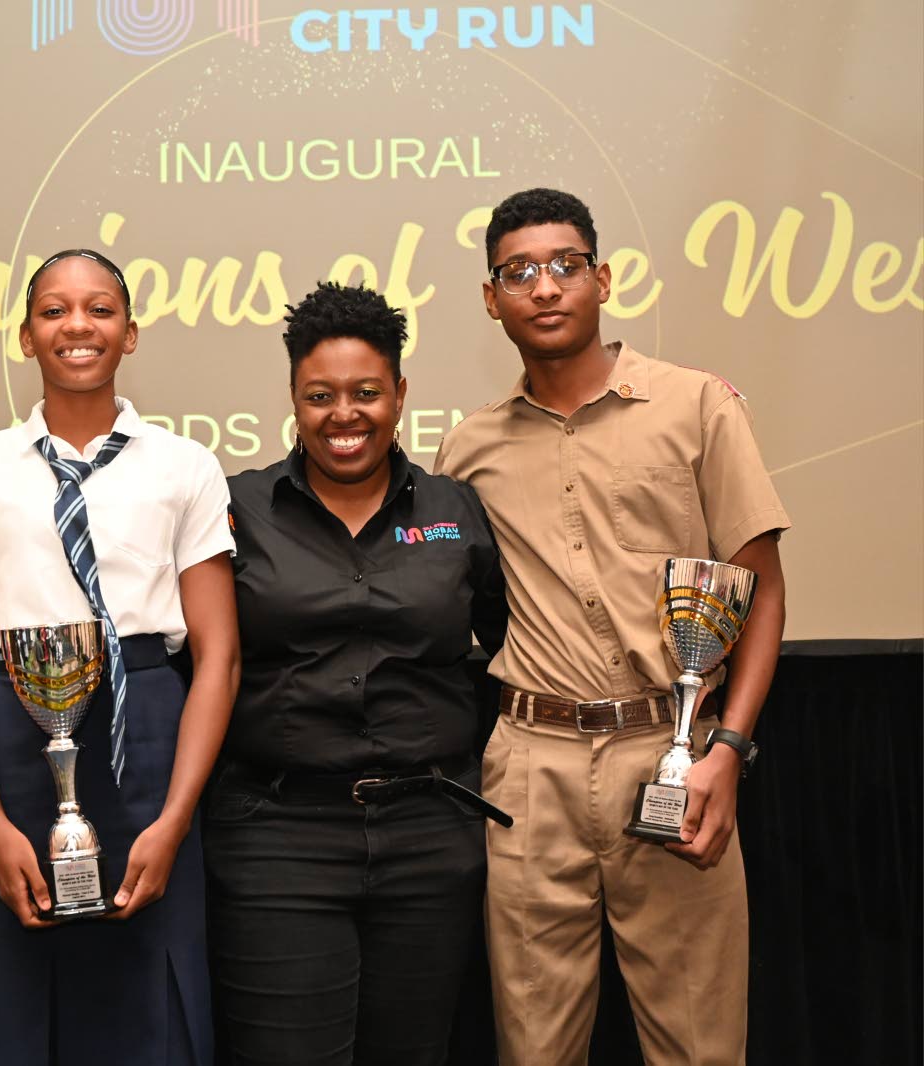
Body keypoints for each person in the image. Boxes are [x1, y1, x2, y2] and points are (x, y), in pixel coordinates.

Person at [434, 188, 789, 1065]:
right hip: (529, 768)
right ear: (492, 299)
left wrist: (727, 752)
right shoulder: (466, 450)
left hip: (669, 752)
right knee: (534, 1046)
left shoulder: (698, 405)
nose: (544, 287)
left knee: (699, 1043)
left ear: (602, 278)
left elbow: (763, 589)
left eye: (564, 265)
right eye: (518, 272)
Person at [0, 248, 239, 1066]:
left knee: (151, 1003)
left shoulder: (185, 465)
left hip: (150, 734)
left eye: (99, 309)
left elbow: (220, 655)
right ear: (25, 337)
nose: (77, 326)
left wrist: (176, 820)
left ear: (131, 333)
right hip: (15, 740)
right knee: (12, 999)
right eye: (54, 311)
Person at [204, 282, 509, 1066]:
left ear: (401, 394)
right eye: (321, 395)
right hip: (278, 837)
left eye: (367, 393)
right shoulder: (236, 510)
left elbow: (517, 648)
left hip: (431, 838)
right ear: (294, 400)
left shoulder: (458, 510)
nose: (345, 415)